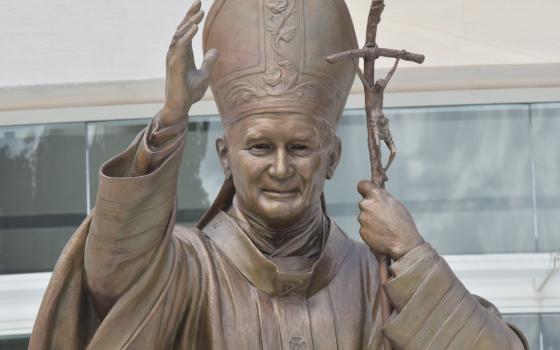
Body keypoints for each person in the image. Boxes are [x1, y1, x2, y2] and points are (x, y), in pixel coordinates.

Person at [30, 0, 527, 349]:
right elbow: (111, 275)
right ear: (226, 156)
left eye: (302, 147)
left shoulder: (374, 280)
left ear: (331, 158)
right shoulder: (187, 267)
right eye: (261, 147)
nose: (282, 168)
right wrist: (170, 121)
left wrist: (412, 257)